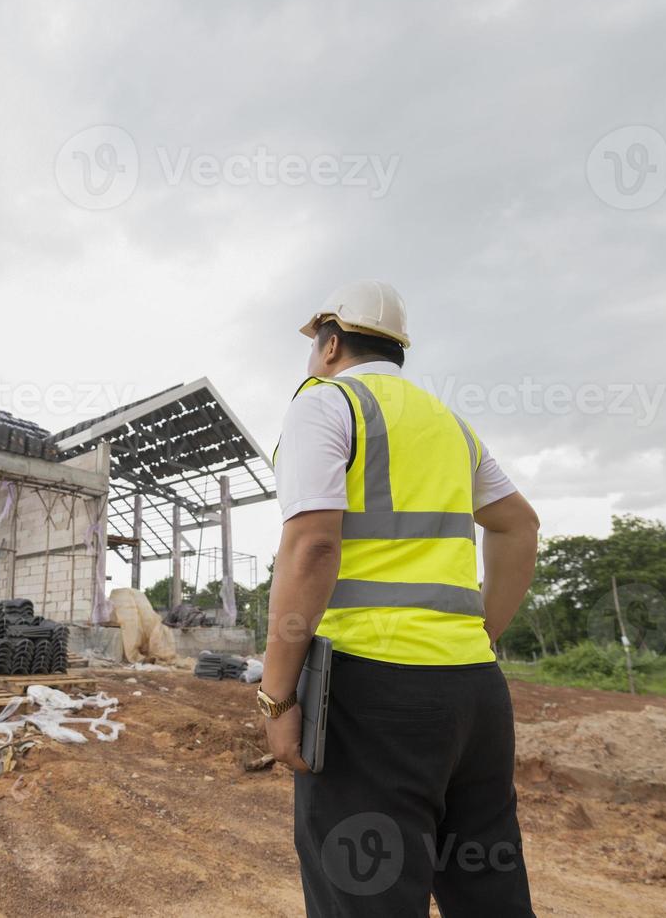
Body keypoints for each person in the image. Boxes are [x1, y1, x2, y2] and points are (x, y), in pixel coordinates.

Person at [258, 280, 540, 917]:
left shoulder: (326, 403)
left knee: (366, 895)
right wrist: (479, 634)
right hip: (474, 692)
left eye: (315, 346)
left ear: (331, 343)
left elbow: (312, 548)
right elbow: (520, 526)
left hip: (371, 695)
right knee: (488, 892)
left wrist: (276, 695)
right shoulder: (449, 425)